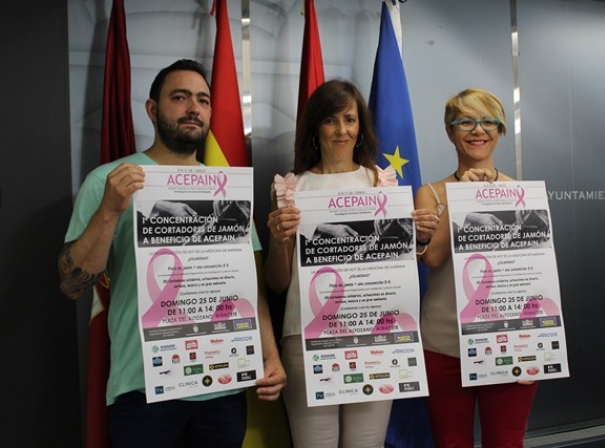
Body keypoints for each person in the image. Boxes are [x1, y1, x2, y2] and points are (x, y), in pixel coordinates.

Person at [57, 59, 286, 448]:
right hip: (144, 388)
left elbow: (249, 288)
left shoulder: (226, 189)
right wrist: (110, 210)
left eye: (202, 100)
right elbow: (71, 284)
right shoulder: (109, 180)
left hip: (224, 386)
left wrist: (271, 355)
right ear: (152, 109)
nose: (193, 108)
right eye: (180, 97)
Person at [264, 79, 438, 448]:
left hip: (375, 339)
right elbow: (278, 283)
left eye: (349, 119)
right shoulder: (292, 189)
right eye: (330, 120)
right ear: (315, 127)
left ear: (360, 127)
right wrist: (279, 241)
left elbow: (398, 270)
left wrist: (420, 237)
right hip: (308, 341)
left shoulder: (383, 183)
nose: (341, 130)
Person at [415, 88, 537, 448]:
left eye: (488, 121)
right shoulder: (430, 193)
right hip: (443, 345)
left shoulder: (521, 194)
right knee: (451, 443)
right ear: (450, 132)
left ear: (500, 130)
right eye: (465, 122)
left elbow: (535, 276)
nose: (478, 130)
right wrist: (462, 200)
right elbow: (432, 259)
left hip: (508, 342)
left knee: (506, 443)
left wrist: (538, 345)